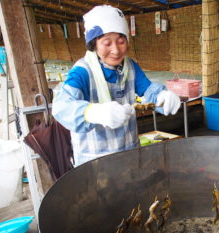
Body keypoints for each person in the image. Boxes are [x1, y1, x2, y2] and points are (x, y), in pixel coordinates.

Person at [52, 5, 181, 165]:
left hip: (129, 154)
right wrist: (95, 113)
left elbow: (148, 89)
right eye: (107, 43)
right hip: (94, 162)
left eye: (121, 41)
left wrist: (163, 96)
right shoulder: (83, 71)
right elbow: (61, 107)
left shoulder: (130, 67)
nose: (116, 50)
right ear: (94, 44)